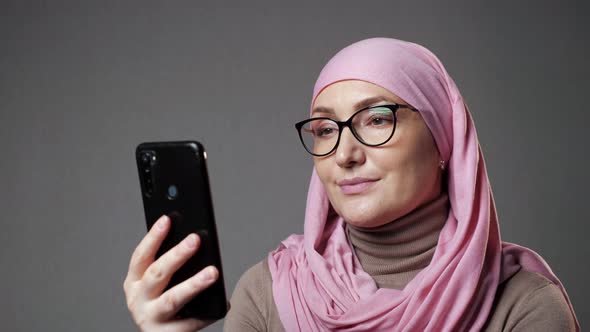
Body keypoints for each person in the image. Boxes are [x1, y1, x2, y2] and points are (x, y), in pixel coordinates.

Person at [123, 38, 580, 331]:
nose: (345, 154)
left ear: (444, 138)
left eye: (377, 120)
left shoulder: (523, 307)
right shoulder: (269, 294)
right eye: (324, 129)